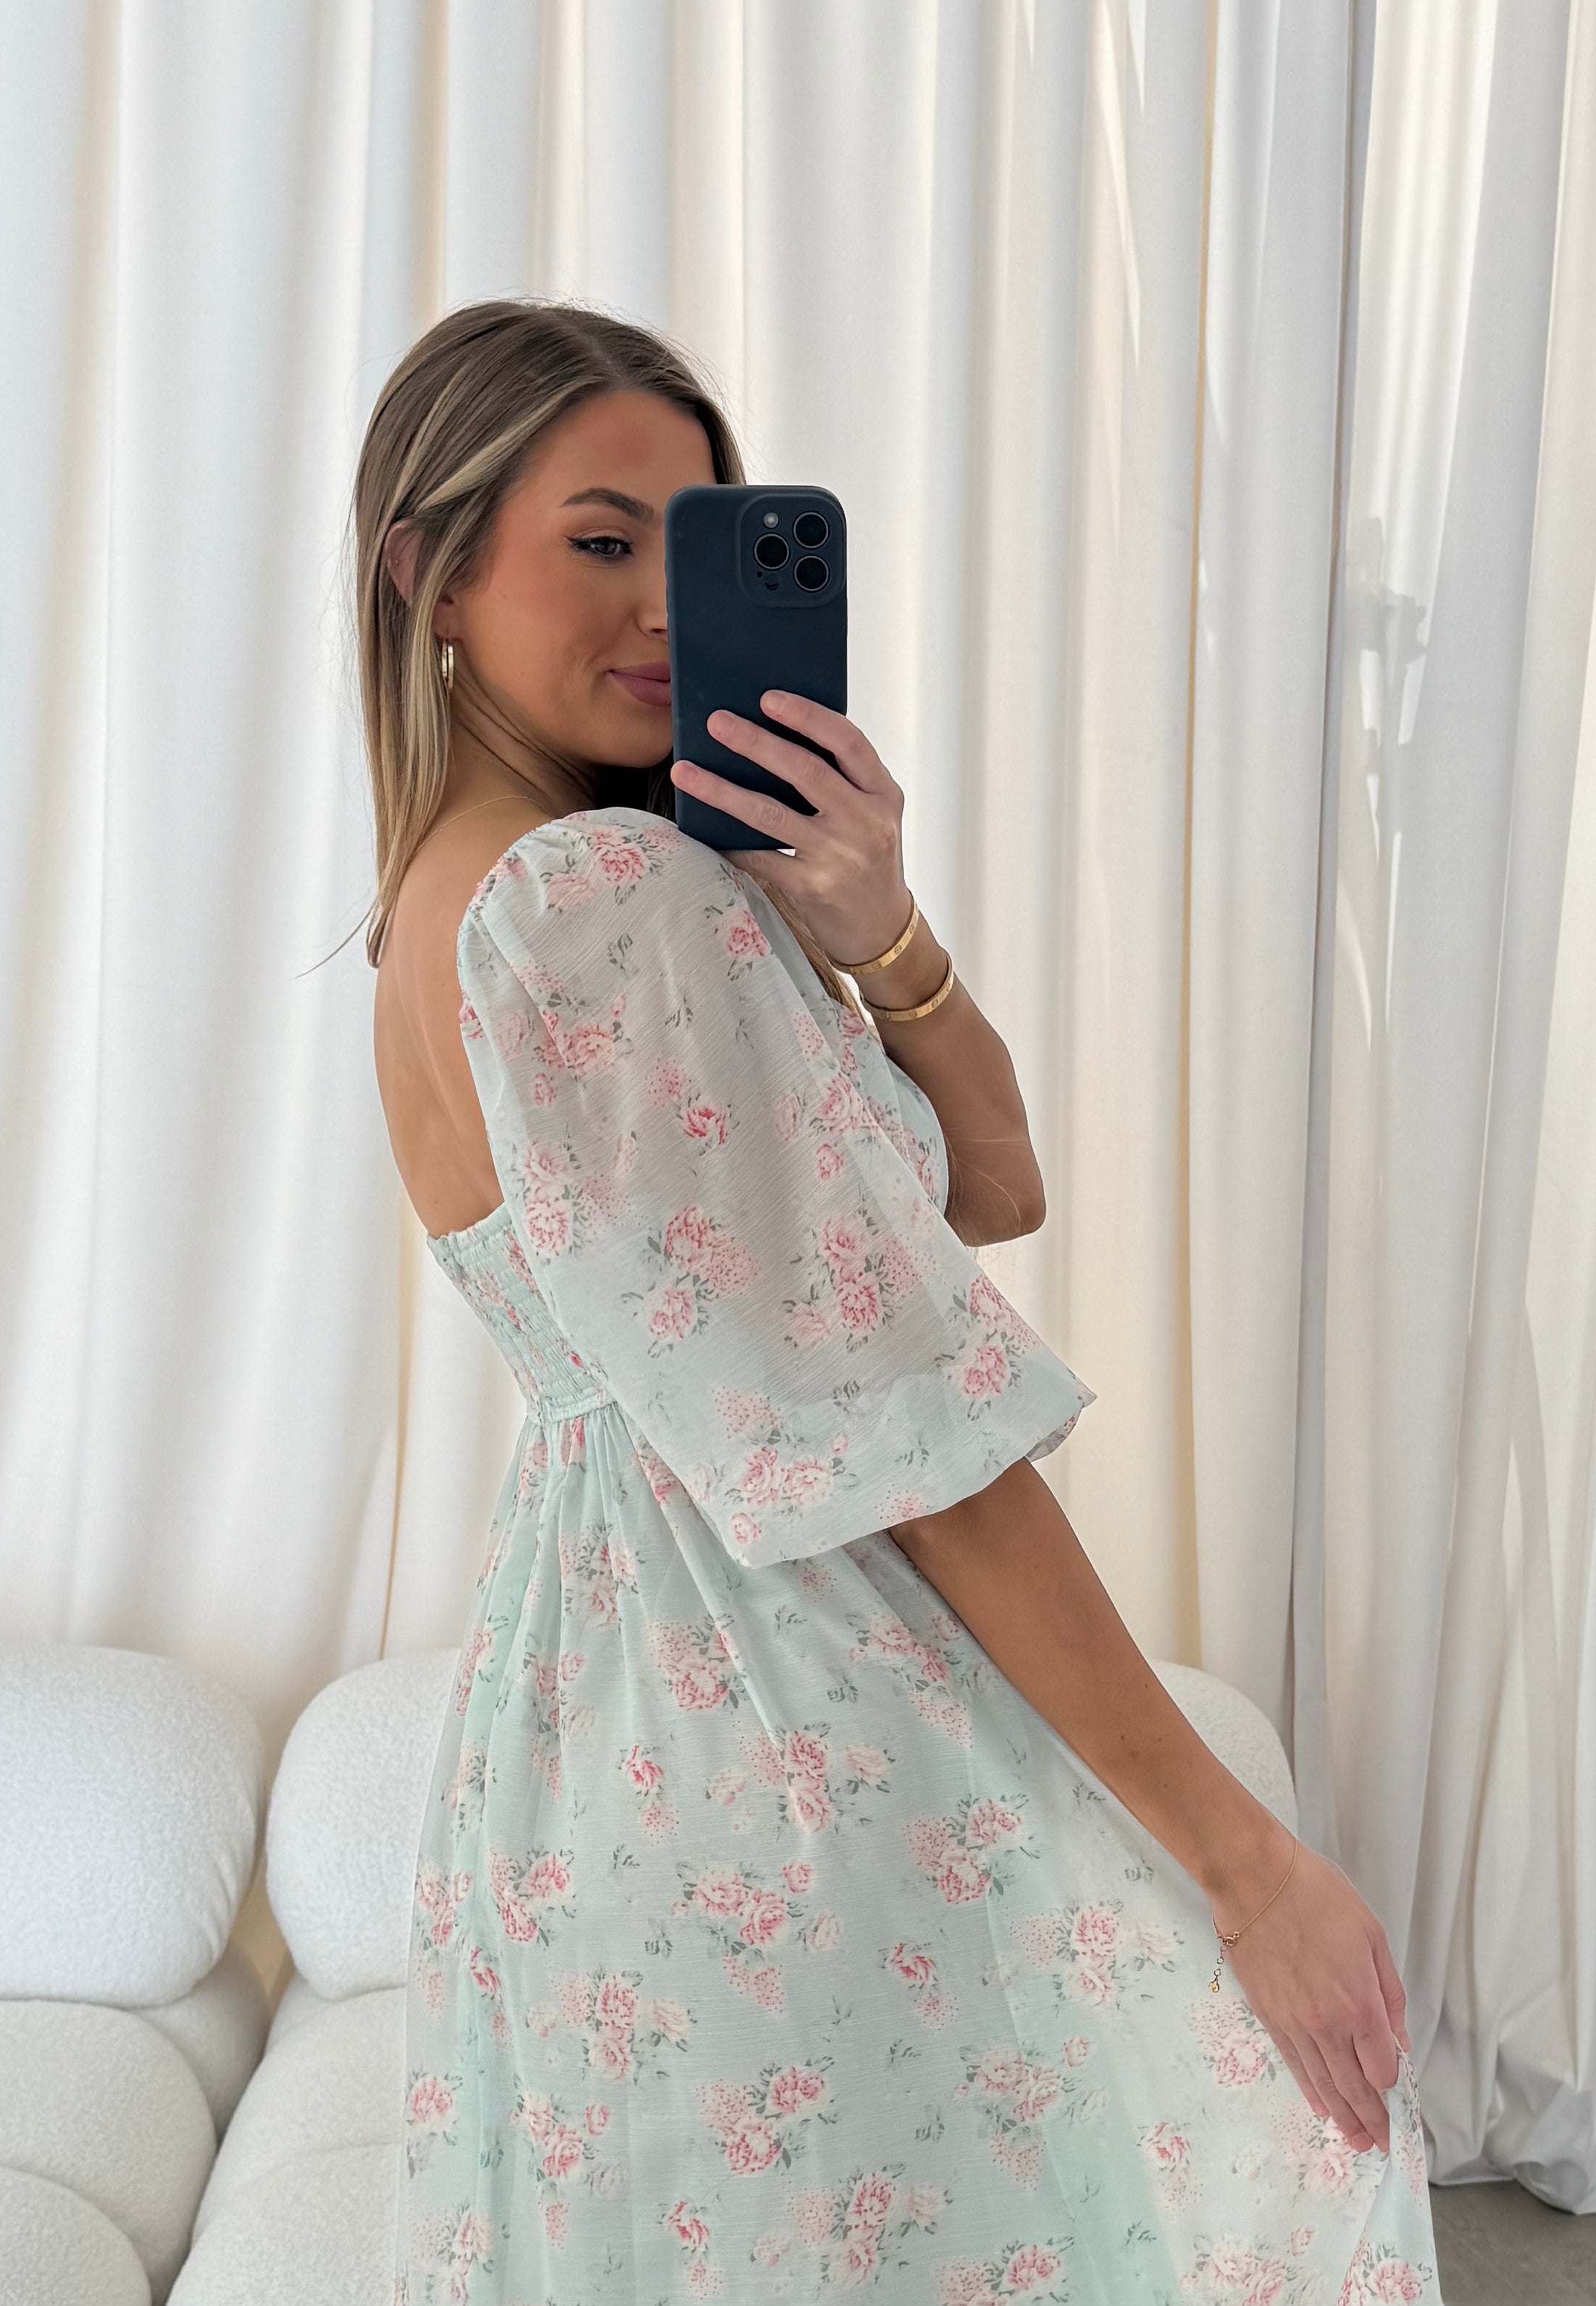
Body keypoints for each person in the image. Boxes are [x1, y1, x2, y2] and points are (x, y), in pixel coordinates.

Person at [352, 298, 1439, 2302]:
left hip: (599, 1713)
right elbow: (909, 1441)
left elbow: (989, 1195)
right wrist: (1242, 1862)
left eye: (692, 539)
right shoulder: (609, 907)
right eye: (598, 539)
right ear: (427, 567)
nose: (662, 604)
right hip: (778, 1710)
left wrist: (875, 928)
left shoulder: (461, 893)